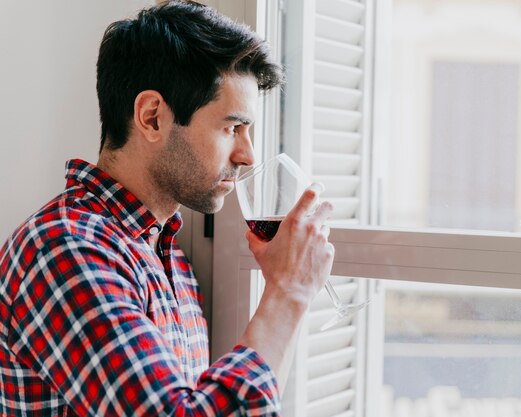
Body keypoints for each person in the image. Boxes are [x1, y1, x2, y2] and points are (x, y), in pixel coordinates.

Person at [0, 1, 334, 416]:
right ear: (152, 117)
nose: (248, 155)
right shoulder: (63, 250)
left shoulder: (165, 253)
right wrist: (289, 291)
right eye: (232, 128)